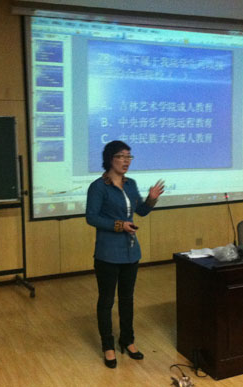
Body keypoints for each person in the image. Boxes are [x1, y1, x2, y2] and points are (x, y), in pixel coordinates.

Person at [86, 140, 165, 369]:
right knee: (106, 301)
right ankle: (108, 346)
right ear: (110, 158)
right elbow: (92, 217)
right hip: (107, 253)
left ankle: (127, 341)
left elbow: (141, 211)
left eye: (129, 157)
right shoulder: (99, 187)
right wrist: (120, 225)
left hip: (131, 252)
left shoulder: (131, 184)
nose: (126, 161)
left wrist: (151, 198)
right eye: (121, 156)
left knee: (127, 299)